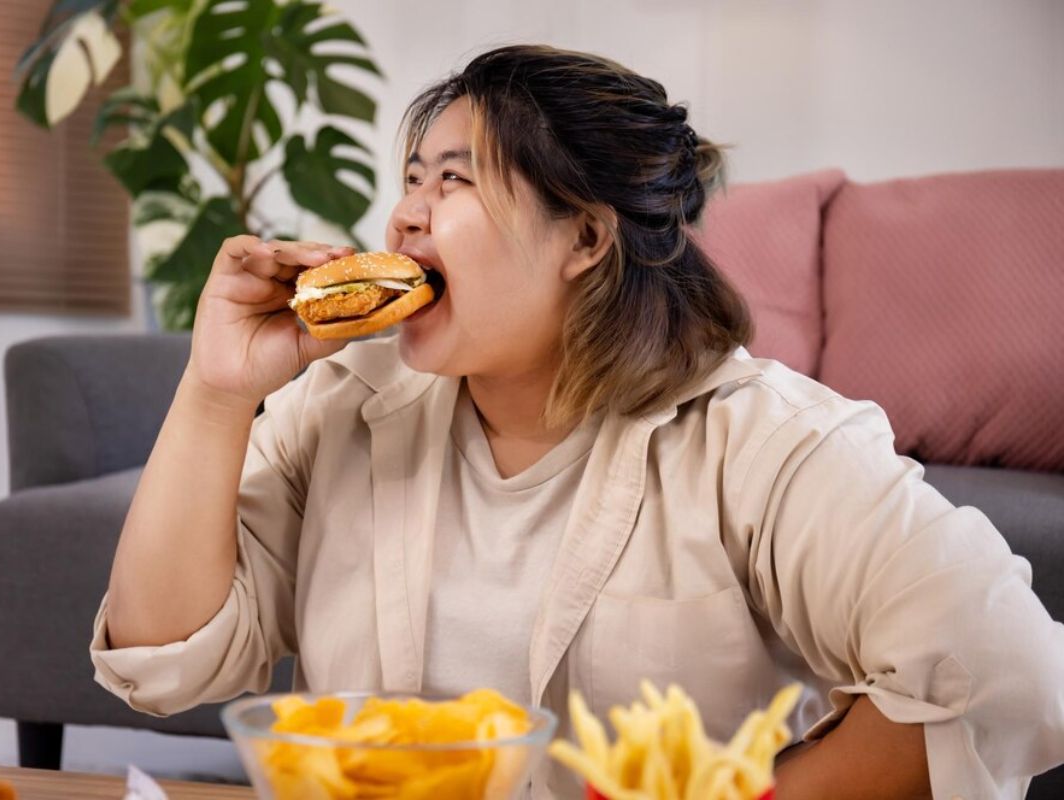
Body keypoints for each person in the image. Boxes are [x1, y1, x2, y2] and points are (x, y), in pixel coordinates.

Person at [90, 44, 1064, 798]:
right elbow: (165, 660)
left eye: (453, 181)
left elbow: (1007, 673)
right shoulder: (341, 400)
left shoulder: (764, 439)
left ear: (586, 236)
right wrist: (218, 391)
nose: (404, 220)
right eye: (412, 179)